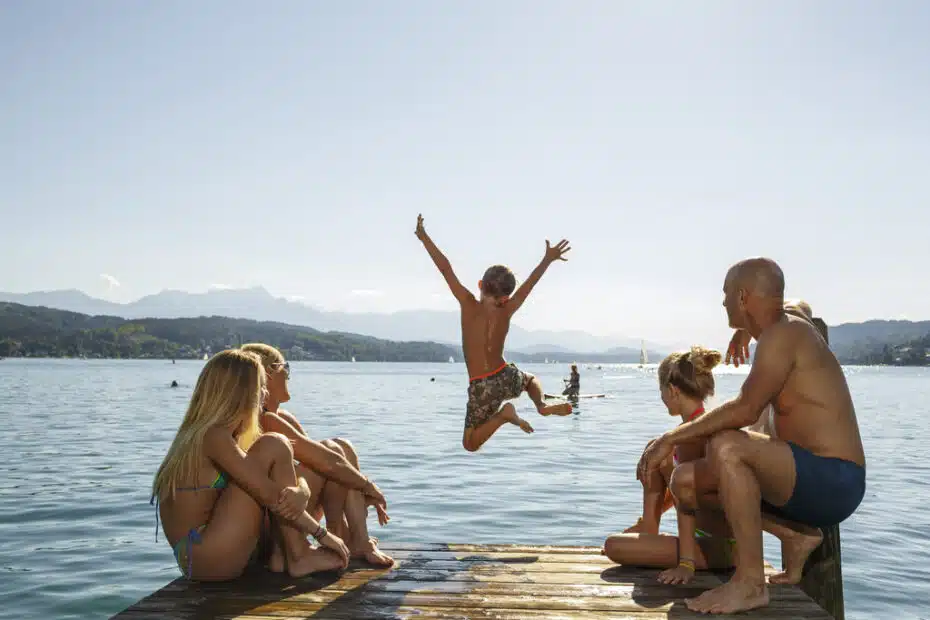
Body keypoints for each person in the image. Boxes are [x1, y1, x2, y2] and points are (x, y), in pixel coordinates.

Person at [637, 258, 866, 614]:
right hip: (796, 477)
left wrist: (673, 437)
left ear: (743, 297)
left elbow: (746, 408)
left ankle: (749, 584)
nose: (723, 302)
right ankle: (795, 535)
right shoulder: (784, 325)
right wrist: (746, 327)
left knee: (727, 445)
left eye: (726, 294)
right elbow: (796, 304)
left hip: (834, 479)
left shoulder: (785, 335)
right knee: (684, 482)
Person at [150, 349, 349, 581]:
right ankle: (299, 555)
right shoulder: (213, 436)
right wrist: (322, 534)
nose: (265, 392)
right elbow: (268, 493)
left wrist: (302, 490)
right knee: (275, 444)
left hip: (209, 553)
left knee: (282, 450)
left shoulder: (223, 435)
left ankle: (286, 555)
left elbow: (279, 483)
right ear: (242, 392)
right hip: (204, 554)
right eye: (261, 386)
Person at [414, 214, 574, 452]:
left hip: (481, 385)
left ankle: (503, 416)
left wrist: (424, 237)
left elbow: (445, 269)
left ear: (480, 284)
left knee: (470, 444)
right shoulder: (507, 309)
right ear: (506, 296)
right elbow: (529, 285)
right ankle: (540, 404)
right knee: (530, 380)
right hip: (504, 375)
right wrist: (547, 259)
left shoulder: (468, 303)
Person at [240, 343, 394, 567]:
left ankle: (351, 537)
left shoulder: (282, 418)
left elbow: (330, 462)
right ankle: (352, 541)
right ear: (269, 374)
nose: (289, 375)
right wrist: (369, 487)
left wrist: (361, 489)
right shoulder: (264, 420)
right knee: (333, 453)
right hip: (267, 525)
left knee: (341, 447)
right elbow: (328, 463)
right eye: (286, 367)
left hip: (284, 514)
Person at [604, 346, 736, 583]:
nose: (661, 397)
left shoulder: (691, 438)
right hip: (706, 542)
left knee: (613, 546)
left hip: (717, 550)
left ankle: (648, 541)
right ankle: (648, 532)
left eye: (661, 390)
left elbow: (690, 495)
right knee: (656, 451)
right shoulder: (690, 431)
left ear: (673, 391)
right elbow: (688, 491)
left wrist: (686, 564)